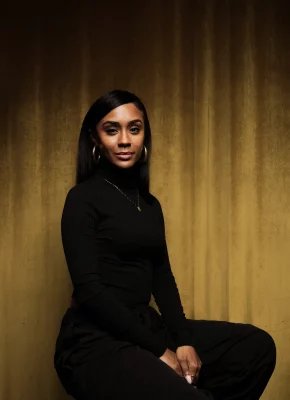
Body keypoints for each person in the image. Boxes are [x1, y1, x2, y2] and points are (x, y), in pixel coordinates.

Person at [54, 90, 276, 400]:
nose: (124, 140)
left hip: (144, 326)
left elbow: (161, 276)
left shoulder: (149, 204)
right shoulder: (82, 199)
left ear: (144, 135)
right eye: (111, 129)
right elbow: (90, 292)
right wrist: (160, 351)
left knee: (255, 347)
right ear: (94, 138)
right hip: (94, 340)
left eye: (134, 128)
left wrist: (183, 341)